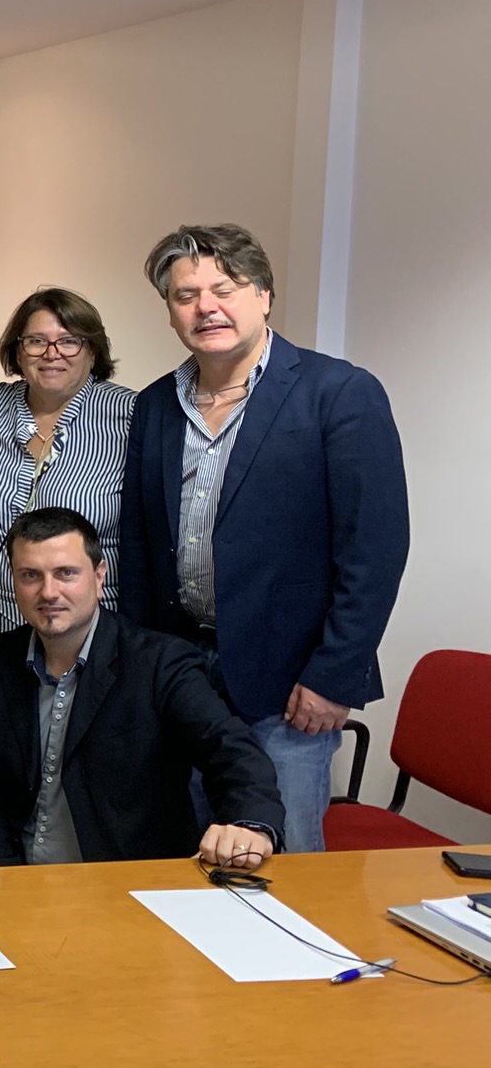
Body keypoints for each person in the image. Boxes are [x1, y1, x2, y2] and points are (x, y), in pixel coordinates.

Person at [120, 224, 409, 853]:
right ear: (170, 312)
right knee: (185, 852)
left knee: (282, 864)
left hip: (292, 684)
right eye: (185, 295)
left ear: (264, 295)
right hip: (182, 672)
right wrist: (142, 664)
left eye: (223, 288)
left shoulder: (337, 394)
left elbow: (375, 548)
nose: (206, 307)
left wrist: (336, 674)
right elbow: (140, 547)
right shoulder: (153, 408)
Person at [0, 508, 284, 867]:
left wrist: (249, 824)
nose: (49, 592)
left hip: (118, 881)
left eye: (66, 573)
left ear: (99, 577)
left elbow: (232, 751)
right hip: (11, 869)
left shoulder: (159, 663)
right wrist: (3, 878)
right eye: (30, 575)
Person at [0, 289, 135, 641]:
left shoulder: (131, 416)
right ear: (18, 352)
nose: (52, 353)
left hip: (94, 632)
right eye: (36, 341)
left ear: (93, 350)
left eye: (69, 341)